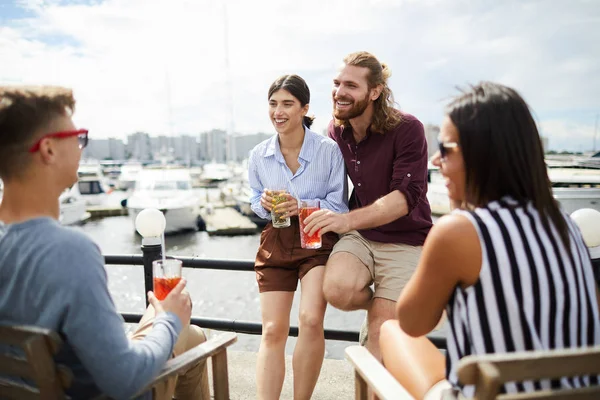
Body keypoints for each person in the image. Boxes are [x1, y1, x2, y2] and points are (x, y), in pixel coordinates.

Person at [380, 82, 600, 399]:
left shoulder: (459, 231)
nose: (437, 162)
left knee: (389, 330)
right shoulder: (565, 223)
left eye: (446, 149)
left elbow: (412, 322)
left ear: (481, 156)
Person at [0, 86, 209, 400]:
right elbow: (123, 380)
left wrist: (161, 318)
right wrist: (171, 319)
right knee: (191, 336)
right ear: (48, 150)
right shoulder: (69, 252)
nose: (81, 147)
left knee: (180, 329)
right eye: (78, 137)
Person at [302, 51, 432, 360]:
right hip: (362, 236)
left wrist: (345, 221)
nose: (339, 92)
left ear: (374, 92)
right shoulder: (336, 132)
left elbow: (404, 198)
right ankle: (383, 304)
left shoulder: (408, 129)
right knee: (336, 290)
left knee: (379, 341)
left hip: (406, 239)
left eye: (351, 85)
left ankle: (389, 310)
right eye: (336, 83)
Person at [248, 74, 348, 400]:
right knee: (273, 330)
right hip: (275, 239)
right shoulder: (258, 155)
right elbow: (252, 201)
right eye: (274, 103)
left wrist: (301, 205)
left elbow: (339, 205)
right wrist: (262, 205)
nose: (279, 111)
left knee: (309, 319)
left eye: (287, 104)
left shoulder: (328, 151)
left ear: (304, 108)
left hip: (316, 238)